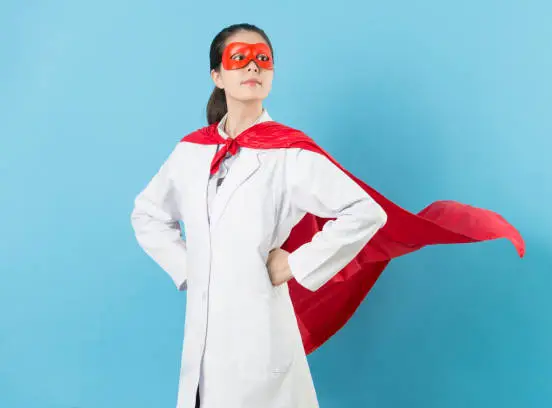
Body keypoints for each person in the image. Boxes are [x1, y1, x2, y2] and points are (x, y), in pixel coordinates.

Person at [131, 23, 524, 408]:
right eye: (240, 58)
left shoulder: (289, 153)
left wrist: (296, 263)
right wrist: (190, 267)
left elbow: (364, 212)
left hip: (260, 333)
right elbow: (147, 214)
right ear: (217, 75)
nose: (253, 66)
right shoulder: (191, 153)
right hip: (202, 338)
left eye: (262, 59)